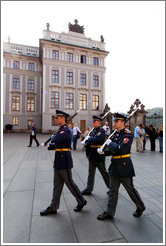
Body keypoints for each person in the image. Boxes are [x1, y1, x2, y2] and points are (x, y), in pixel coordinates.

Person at [97, 113, 145, 220]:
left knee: (130, 189)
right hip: (114, 165)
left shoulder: (127, 135)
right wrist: (103, 152)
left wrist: (110, 144)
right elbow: (112, 151)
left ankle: (140, 206)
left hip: (124, 165)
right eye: (114, 121)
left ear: (122, 122)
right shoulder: (115, 134)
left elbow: (121, 149)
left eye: (116, 121)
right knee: (113, 190)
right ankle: (109, 211)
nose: (113, 123)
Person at [40, 110, 87, 216]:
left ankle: (81, 200)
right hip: (58, 159)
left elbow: (56, 139)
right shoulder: (61, 129)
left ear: (63, 118)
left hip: (64, 159)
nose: (55, 119)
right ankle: (53, 207)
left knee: (70, 183)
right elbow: (57, 143)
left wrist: (53, 138)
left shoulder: (66, 130)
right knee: (57, 185)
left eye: (57, 117)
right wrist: (50, 144)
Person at [81, 116, 109, 195]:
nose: (93, 123)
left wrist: (89, 139)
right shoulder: (93, 131)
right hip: (92, 154)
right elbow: (91, 140)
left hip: (98, 155)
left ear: (99, 122)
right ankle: (89, 188)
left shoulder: (101, 131)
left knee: (104, 173)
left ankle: (111, 188)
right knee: (91, 173)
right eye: (93, 121)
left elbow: (97, 140)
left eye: (95, 122)